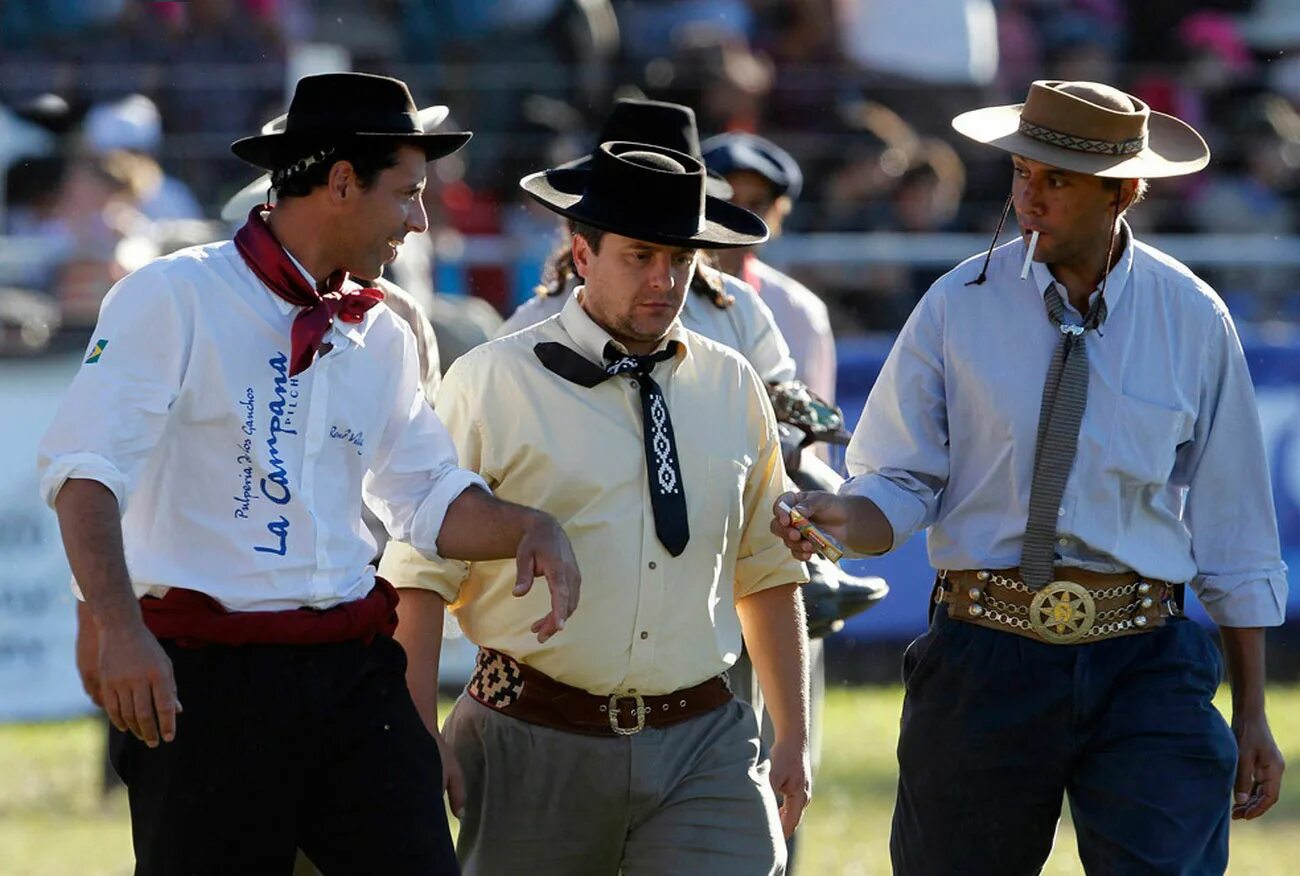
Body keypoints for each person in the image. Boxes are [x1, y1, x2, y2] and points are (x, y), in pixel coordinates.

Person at [38, 72, 581, 876]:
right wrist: (118, 629)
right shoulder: (174, 295)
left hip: (354, 669)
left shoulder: (389, 326)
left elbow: (425, 494)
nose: (421, 219)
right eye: (408, 193)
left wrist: (528, 526)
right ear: (338, 183)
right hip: (206, 682)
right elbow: (84, 473)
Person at [773, 79, 1288, 874]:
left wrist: (1253, 712)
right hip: (983, 653)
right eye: (1021, 174)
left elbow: (1235, 527)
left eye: (1057, 180)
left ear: (1123, 191)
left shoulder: (1193, 316)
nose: (1029, 198)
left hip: (1147, 660)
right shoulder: (955, 305)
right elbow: (895, 481)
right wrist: (848, 516)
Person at [381, 140, 811, 875]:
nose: (664, 280)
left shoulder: (732, 383)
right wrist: (418, 734)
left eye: (680, 260)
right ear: (582, 256)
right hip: (531, 737)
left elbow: (765, 568)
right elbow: (417, 572)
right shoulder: (492, 380)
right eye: (639, 256)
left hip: (705, 740)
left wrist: (795, 737)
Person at [702, 131, 836, 404]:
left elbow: (814, 435)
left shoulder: (801, 311)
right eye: (727, 201)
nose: (740, 216)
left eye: (756, 204)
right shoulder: (661, 291)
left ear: (776, 213)